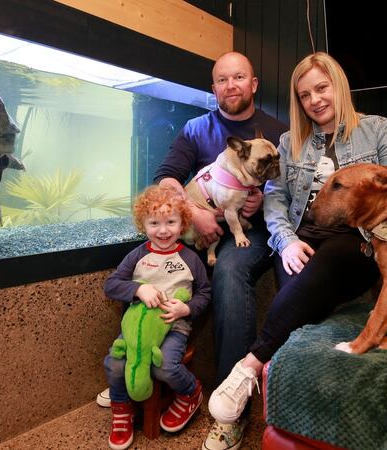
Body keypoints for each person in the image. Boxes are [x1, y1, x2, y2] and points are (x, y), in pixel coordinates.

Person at [207, 52, 387, 425]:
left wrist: (370, 218)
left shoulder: (377, 129)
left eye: (322, 88)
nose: (315, 100)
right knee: (301, 304)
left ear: (338, 86)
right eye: (305, 95)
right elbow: (274, 197)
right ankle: (294, 412)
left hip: (359, 239)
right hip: (301, 237)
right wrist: (286, 240)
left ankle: (249, 366)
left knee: (332, 258)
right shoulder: (290, 141)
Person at [153, 51, 288, 449]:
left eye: (239, 78)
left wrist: (262, 200)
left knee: (228, 270)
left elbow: (294, 190)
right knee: (152, 261)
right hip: (206, 224)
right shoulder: (196, 128)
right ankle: (138, 373)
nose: (231, 86)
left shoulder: (276, 132)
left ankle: (232, 408)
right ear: (213, 88)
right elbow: (166, 179)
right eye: (223, 80)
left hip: (258, 231)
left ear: (254, 84)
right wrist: (195, 213)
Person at [102, 185, 212, 450]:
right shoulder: (138, 255)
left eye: (171, 222)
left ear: (183, 222)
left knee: (165, 368)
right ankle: (121, 409)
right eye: (154, 223)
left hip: (173, 326)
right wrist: (138, 289)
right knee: (113, 364)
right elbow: (111, 284)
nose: (163, 230)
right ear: (143, 224)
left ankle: (190, 393)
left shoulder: (190, 259)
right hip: (136, 328)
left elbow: (205, 293)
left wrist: (186, 309)